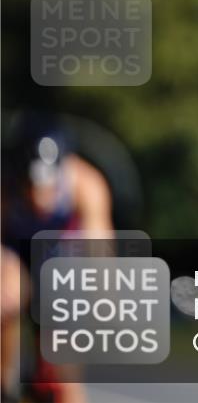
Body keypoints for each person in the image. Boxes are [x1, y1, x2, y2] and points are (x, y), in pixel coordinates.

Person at [1, 113, 114, 403]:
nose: (40, 196)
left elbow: (100, 254)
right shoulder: (4, 190)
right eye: (30, 185)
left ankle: (56, 384)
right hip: (14, 252)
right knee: (5, 294)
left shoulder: (86, 183)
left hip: (62, 255)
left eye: (47, 186)